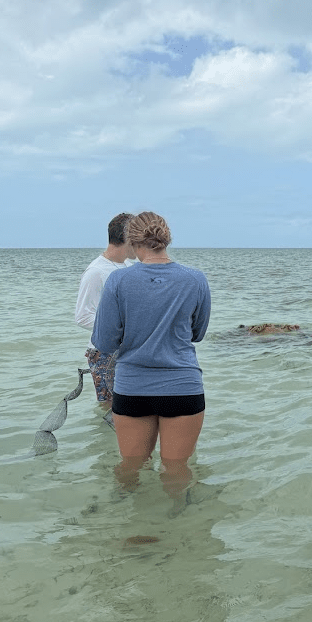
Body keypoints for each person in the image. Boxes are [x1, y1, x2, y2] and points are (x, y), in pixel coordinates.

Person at [92, 212, 211, 502]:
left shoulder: (118, 280)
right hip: (183, 388)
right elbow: (197, 333)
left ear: (132, 242)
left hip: (133, 388)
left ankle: (127, 522)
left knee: (130, 469)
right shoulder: (195, 279)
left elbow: (104, 342)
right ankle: (178, 522)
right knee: (177, 470)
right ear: (166, 239)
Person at [75, 212, 136, 409]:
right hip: (103, 353)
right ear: (128, 238)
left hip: (127, 350)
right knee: (110, 409)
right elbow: (82, 316)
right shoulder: (96, 272)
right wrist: (119, 328)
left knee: (129, 407)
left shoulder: (128, 265)